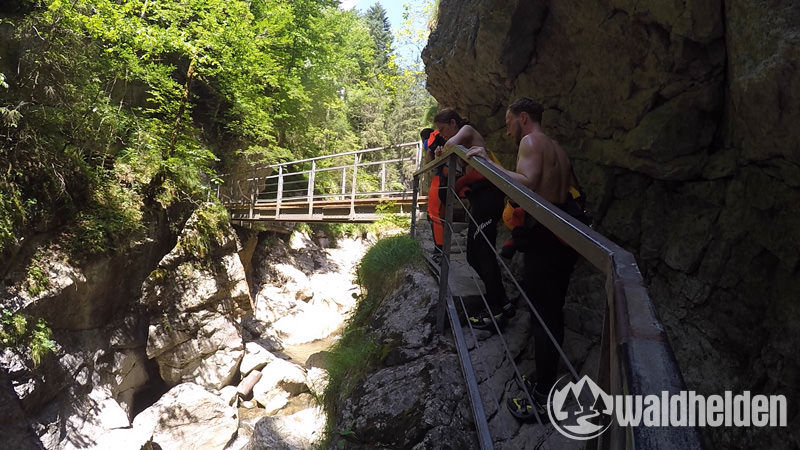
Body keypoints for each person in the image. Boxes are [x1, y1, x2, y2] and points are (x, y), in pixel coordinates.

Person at [465, 98, 579, 420]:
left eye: (509, 122)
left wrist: (489, 162)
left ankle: (543, 394)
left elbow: (526, 186)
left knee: (543, 315)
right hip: (562, 240)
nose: (507, 129)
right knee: (552, 311)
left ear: (524, 118)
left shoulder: (530, 142)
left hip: (543, 240)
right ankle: (546, 380)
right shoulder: (558, 148)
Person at [433, 109, 513, 331]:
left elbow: (451, 147)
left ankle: (496, 310)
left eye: (443, 130)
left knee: (483, 253)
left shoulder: (467, 130)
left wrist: (443, 149)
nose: (442, 135)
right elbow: (452, 158)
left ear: (453, 122)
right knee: (472, 256)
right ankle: (502, 301)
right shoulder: (459, 137)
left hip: (489, 197)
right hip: (480, 199)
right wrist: (442, 151)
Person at [420, 128, 447, 262]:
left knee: (433, 215)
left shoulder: (429, 142)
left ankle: (439, 250)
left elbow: (430, 163)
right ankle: (441, 249)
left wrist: (427, 150)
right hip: (449, 177)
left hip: (441, 178)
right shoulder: (440, 139)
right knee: (440, 216)